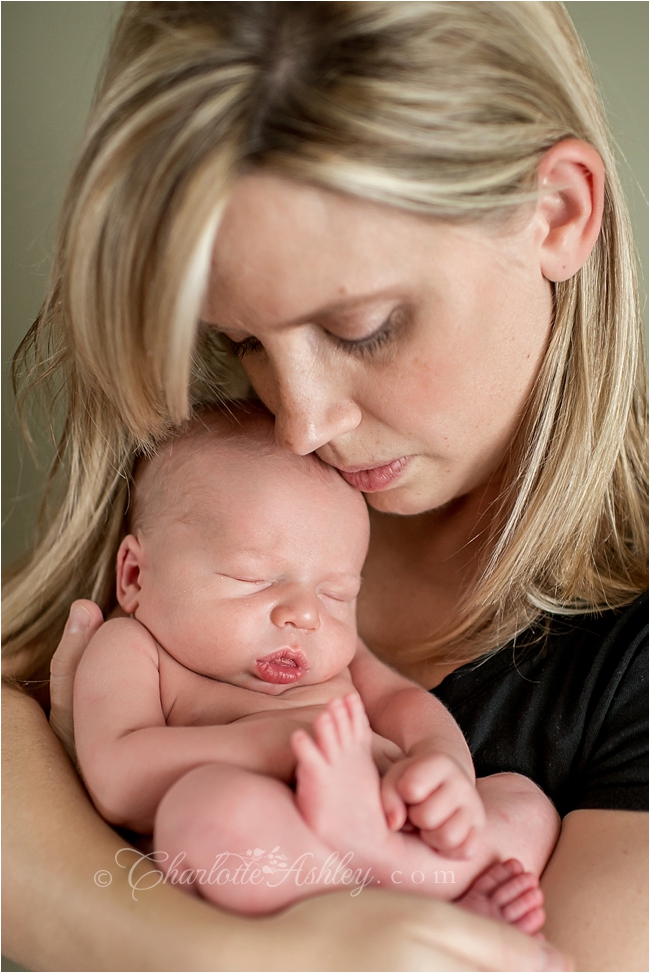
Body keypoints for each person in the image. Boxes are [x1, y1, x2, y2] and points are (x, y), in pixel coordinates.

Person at [3, 3, 647, 971]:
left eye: (362, 327)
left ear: (554, 213)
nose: (299, 423)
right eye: (243, 343)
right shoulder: (210, 501)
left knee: (507, 812)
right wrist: (238, 957)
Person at [74, 406, 557, 924]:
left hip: (391, 822)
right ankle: (404, 906)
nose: (306, 615)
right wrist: (271, 746)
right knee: (206, 813)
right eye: (252, 579)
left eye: (335, 595)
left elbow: (402, 702)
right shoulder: (134, 647)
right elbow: (116, 779)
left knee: (526, 804)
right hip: (286, 862)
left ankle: (397, 868)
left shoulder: (336, 656)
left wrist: (443, 768)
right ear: (135, 576)